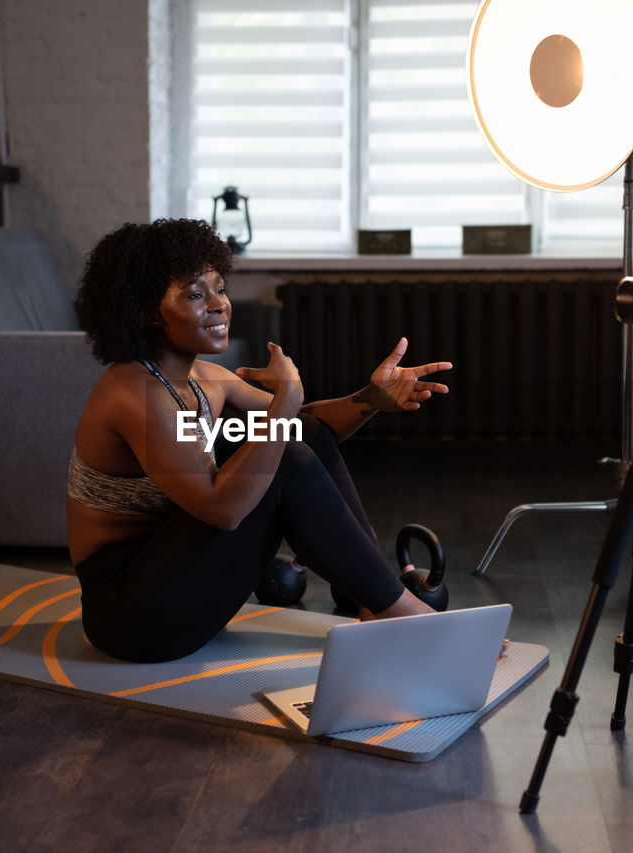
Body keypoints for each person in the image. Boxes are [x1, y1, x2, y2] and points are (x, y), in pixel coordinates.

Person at [67, 218, 454, 663]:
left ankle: (371, 598)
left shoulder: (202, 378)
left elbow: (309, 428)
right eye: (196, 294)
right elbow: (223, 509)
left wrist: (369, 400)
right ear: (145, 310)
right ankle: (402, 613)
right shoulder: (135, 393)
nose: (219, 305)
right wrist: (286, 396)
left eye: (220, 288)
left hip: (178, 576)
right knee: (283, 453)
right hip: (134, 617)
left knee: (294, 437)